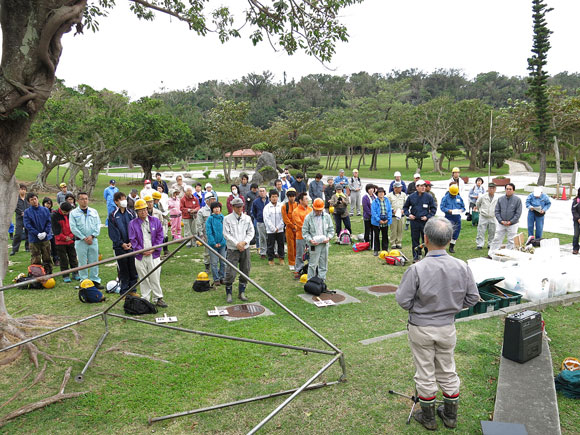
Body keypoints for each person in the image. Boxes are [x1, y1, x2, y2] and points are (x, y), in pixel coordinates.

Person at [395, 217, 479, 431]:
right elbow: (472, 298)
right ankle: (450, 418)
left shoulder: (417, 269)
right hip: (446, 327)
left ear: (425, 239)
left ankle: (429, 418)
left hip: (421, 328)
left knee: (425, 371)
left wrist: (422, 309)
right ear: (450, 239)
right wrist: (450, 308)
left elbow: (403, 300)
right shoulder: (462, 266)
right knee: (448, 370)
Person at [129, 199, 167, 307]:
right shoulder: (132, 224)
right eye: (140, 210)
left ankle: (158, 297)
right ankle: (145, 298)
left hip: (154, 254)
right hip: (140, 255)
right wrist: (141, 250)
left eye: (144, 209)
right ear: (137, 212)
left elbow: (160, 236)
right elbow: (133, 239)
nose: (143, 212)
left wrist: (154, 248)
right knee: (143, 277)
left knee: (155, 276)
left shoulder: (155, 221)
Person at [223, 197, 254, 303]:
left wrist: (244, 242)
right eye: (237, 207)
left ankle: (242, 292)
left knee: (245, 269)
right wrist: (237, 244)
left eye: (241, 206)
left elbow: (251, 232)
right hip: (233, 249)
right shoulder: (227, 219)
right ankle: (229, 293)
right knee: (230, 272)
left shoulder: (247, 218)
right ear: (232, 207)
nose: (239, 209)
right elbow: (226, 234)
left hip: (245, 248)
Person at [69, 192, 103, 288]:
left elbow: (98, 224)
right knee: (82, 261)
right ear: (78, 201)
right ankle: (83, 280)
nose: (85, 201)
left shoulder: (94, 212)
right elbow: (73, 227)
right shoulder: (73, 213)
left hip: (93, 240)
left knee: (94, 260)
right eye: (82, 199)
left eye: (86, 198)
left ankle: (95, 280)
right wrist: (84, 237)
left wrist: (92, 236)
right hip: (80, 241)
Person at [108, 192, 138, 294]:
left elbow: (135, 228)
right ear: (116, 201)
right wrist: (121, 243)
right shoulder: (112, 215)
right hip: (119, 247)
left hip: (132, 245)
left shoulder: (131, 213)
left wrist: (131, 242)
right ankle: (124, 290)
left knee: (133, 269)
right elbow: (113, 232)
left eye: (125, 198)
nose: (124, 201)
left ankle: (133, 289)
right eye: (121, 199)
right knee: (123, 269)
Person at [403, 180, 437, 262]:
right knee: (415, 239)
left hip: (425, 222)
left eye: (424, 186)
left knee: (425, 239)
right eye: (421, 186)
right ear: (416, 187)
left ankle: (427, 255)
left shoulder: (429, 197)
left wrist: (428, 216)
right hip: (414, 221)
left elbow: (433, 208)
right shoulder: (411, 197)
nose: (423, 188)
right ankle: (416, 256)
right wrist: (408, 215)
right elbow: (405, 208)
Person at [302, 198, 335, 280]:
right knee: (312, 264)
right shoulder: (308, 218)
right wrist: (310, 240)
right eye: (317, 210)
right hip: (314, 244)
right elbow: (305, 232)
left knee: (323, 264)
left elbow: (331, 230)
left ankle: (321, 281)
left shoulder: (327, 216)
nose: (319, 212)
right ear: (313, 208)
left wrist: (329, 237)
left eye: (320, 210)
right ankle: (310, 281)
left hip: (324, 244)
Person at [23, 192, 53, 274]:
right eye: (31, 200)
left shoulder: (45, 210)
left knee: (47, 255)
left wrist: (45, 232)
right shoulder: (27, 212)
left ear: (37, 199)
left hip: (45, 237)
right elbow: (27, 225)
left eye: (35, 199)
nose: (34, 201)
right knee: (35, 257)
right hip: (34, 238)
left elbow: (49, 222)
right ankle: (36, 274)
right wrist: (37, 233)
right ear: (29, 202)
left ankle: (49, 272)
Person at [489, 183, 523, 253]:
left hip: (513, 224)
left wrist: (511, 222)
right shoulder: (500, 199)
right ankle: (492, 253)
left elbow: (518, 213)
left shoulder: (517, 200)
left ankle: (508, 253)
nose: (508, 190)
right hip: (501, 224)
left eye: (510, 189)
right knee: (497, 238)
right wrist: (501, 221)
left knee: (511, 240)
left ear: (513, 190)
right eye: (507, 189)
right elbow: (497, 211)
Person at [51, 201, 79, 282]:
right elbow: (55, 230)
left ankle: (75, 273)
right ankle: (65, 275)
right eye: (65, 212)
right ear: (61, 209)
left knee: (73, 257)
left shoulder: (71, 214)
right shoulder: (54, 216)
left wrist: (71, 236)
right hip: (60, 242)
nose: (66, 213)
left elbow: (74, 226)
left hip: (70, 240)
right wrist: (63, 237)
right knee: (63, 259)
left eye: (68, 212)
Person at [440, 184, 466, 254]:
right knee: (447, 233)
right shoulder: (445, 198)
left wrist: (461, 210)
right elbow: (442, 207)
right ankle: (443, 246)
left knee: (456, 233)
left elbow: (463, 207)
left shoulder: (459, 198)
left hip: (457, 217)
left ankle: (451, 247)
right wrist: (448, 210)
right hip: (448, 217)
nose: (454, 195)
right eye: (452, 194)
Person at [206, 201, 227, 286]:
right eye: (215, 208)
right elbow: (209, 232)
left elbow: (226, 232)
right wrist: (213, 243)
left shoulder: (223, 218)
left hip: (222, 244)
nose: (217, 209)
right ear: (212, 209)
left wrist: (222, 242)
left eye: (218, 207)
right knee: (214, 263)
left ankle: (223, 277)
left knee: (224, 262)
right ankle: (216, 279)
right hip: (213, 245)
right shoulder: (210, 219)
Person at [292, 192, 313, 278]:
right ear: (300, 201)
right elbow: (299, 224)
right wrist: (308, 227)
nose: (307, 200)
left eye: (307, 199)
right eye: (305, 199)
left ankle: (311, 268)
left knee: (312, 252)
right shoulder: (296, 211)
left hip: (311, 236)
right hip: (300, 235)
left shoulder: (310, 210)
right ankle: (298, 270)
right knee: (300, 253)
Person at [263, 189, 285, 266]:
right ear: (270, 198)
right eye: (273, 197)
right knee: (270, 245)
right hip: (270, 230)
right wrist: (273, 228)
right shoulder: (267, 207)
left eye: (276, 196)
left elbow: (283, 218)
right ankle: (271, 259)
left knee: (281, 244)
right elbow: (266, 219)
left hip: (280, 229)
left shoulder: (281, 206)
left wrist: (278, 227)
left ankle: (281, 258)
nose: (274, 198)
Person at [475, 183, 498, 250]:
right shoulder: (483, 196)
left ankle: (490, 244)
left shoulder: (497, 198)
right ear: (488, 189)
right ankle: (480, 244)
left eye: (493, 188)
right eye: (490, 188)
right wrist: (481, 211)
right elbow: (478, 204)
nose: (491, 189)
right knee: (481, 231)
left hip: (493, 216)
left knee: (492, 231)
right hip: (483, 216)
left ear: (495, 189)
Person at [197, 193, 216, 273]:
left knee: (216, 250)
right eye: (212, 199)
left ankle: (214, 266)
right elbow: (199, 223)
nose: (214, 200)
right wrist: (201, 234)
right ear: (207, 200)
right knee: (207, 251)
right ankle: (207, 267)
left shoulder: (216, 209)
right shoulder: (202, 211)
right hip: (206, 234)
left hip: (216, 233)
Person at [371, 187, 392, 256]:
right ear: (377, 194)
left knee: (385, 235)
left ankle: (385, 249)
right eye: (379, 192)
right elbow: (373, 212)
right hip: (377, 222)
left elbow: (389, 210)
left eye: (382, 192)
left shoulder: (387, 200)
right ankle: (376, 250)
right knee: (376, 236)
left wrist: (388, 219)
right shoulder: (374, 201)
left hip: (385, 221)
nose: (381, 194)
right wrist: (378, 220)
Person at [282, 188, 298, 271]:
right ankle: (291, 263)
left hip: (297, 228)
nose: (292, 198)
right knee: (290, 246)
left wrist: (296, 226)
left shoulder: (298, 205)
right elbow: (285, 219)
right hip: (289, 229)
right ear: (288, 197)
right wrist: (292, 226)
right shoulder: (285, 206)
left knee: (297, 246)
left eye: (293, 196)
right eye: (290, 196)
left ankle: (297, 261)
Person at [11, 184, 30, 255]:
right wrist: (21, 212)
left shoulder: (28, 199)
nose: (23, 191)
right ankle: (14, 249)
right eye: (21, 189)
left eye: (24, 189)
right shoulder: (16, 199)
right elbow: (14, 207)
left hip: (28, 218)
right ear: (19, 190)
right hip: (20, 218)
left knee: (28, 233)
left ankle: (27, 247)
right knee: (18, 234)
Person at [387, 182, 407, 249]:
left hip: (401, 215)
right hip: (393, 216)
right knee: (393, 230)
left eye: (401, 187)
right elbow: (388, 205)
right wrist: (393, 210)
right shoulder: (389, 195)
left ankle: (399, 242)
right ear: (395, 188)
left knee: (400, 229)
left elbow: (406, 204)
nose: (401, 188)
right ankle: (393, 243)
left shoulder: (404, 195)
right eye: (399, 187)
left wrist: (403, 210)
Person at [251, 187, 269, 258]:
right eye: (260, 191)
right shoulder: (255, 202)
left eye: (263, 191)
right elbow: (253, 211)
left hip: (269, 221)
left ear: (266, 192)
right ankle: (263, 252)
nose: (262, 192)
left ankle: (270, 251)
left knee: (270, 237)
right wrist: (258, 217)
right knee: (262, 237)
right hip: (260, 221)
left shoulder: (269, 200)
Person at [42, 197, 59, 266]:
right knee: (45, 248)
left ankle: (56, 260)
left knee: (54, 247)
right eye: (46, 203)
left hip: (53, 232)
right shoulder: (41, 211)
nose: (48, 205)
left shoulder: (53, 212)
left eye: (49, 203)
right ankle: (46, 261)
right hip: (44, 232)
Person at [152, 191, 170, 256]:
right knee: (157, 238)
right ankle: (157, 253)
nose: (158, 200)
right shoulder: (150, 205)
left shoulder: (159, 203)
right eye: (157, 199)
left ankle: (166, 250)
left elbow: (162, 210)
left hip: (162, 221)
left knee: (165, 236)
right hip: (155, 223)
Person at [572, 188, 580, 255]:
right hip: (577, 221)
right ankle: (575, 248)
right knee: (576, 234)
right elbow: (574, 210)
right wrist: (578, 218)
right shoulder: (576, 200)